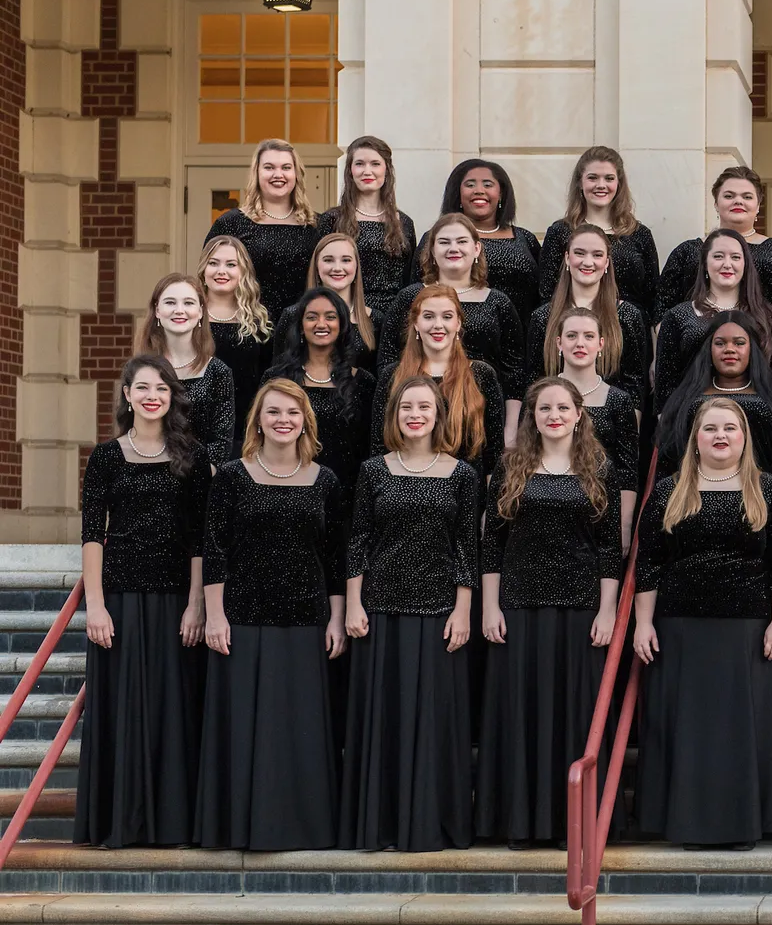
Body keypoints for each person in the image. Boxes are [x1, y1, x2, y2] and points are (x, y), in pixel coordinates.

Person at [632, 397, 772, 848]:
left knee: (739, 731)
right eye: (710, 429)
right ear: (695, 438)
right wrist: (642, 624)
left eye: (730, 428)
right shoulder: (669, 491)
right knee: (689, 730)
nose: (720, 435)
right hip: (680, 628)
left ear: (744, 437)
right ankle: (688, 823)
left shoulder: (770, 491)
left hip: (747, 629)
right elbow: (648, 561)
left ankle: (741, 823)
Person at [196, 379, 347, 850]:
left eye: (293, 413)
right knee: (244, 728)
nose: (284, 420)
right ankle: (239, 827)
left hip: (306, 619)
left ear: (306, 421)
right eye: (274, 412)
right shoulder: (232, 478)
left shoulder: (327, 481)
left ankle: (302, 828)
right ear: (257, 420)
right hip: (242, 617)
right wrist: (214, 616)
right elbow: (215, 549)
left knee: (299, 728)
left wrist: (337, 619)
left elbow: (337, 557)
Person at [477, 377, 623, 846]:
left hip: (580, 609)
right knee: (524, 712)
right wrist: (490, 606)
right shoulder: (510, 467)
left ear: (580, 414)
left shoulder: (600, 467)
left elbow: (608, 547)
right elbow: (492, 543)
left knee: (574, 715)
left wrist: (607, 612)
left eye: (563, 407)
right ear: (532, 417)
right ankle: (522, 822)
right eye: (544, 409)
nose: (554, 415)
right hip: (519, 605)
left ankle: (570, 826)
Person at [340, 376, 481, 851]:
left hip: (440, 612)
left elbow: (467, 546)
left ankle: (430, 823)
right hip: (380, 610)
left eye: (424, 406)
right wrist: (354, 602)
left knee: (434, 722)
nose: (415, 414)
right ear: (394, 415)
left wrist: (464, 609)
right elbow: (358, 538)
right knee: (385, 721)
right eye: (406, 407)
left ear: (439, 414)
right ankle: (379, 825)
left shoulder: (462, 474)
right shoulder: (373, 470)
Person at [75, 355, 210, 848]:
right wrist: (96, 604)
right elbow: (93, 534)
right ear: (128, 396)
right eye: (143, 387)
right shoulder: (106, 457)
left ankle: (172, 823)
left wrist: (197, 604)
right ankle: (121, 821)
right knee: (124, 708)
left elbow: (201, 538)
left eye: (162, 388)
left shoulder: (191, 457)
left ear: (172, 397)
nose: (153, 395)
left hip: (176, 600)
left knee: (173, 708)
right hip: (121, 600)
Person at [380, 214, 524, 411]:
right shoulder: (411, 297)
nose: (453, 248)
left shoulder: (498, 302)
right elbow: (388, 358)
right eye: (444, 242)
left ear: (476, 249)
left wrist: (510, 430)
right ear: (432, 250)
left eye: (462, 241)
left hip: (483, 411)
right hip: (418, 412)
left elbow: (514, 372)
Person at [655, 312, 772, 495]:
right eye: (720, 343)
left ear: (752, 349)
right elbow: (667, 463)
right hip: (695, 499)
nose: (729, 349)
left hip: (765, 501)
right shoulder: (687, 399)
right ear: (709, 349)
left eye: (739, 343)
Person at [370, 286, 508, 480]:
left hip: (466, 495)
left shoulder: (481, 374)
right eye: (428, 316)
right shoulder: (393, 375)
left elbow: (494, 453)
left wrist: (489, 507)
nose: (437, 325)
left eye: (447, 316)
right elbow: (379, 447)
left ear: (458, 323)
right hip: (402, 488)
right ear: (416, 323)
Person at [654, 228, 772, 403]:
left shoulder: (769, 317)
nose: (727, 264)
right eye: (718, 256)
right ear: (705, 263)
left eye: (735, 257)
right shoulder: (677, 317)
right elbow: (665, 390)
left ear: (746, 264)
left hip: (758, 420)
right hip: (694, 421)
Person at [657, 166, 772, 321]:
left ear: (758, 205)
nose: (738, 201)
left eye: (747, 197)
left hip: (768, 343)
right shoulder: (687, 252)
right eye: (729, 196)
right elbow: (661, 308)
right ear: (716, 204)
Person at [264, 289, 374, 495]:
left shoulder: (364, 382)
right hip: (287, 488)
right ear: (300, 326)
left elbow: (368, 448)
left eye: (330, 317)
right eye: (312, 317)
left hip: (346, 494)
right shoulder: (276, 378)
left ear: (342, 325)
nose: (321, 324)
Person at [537, 146, 659, 329]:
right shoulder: (560, 232)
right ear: (580, 182)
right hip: (575, 335)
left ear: (619, 184)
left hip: (630, 332)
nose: (601, 185)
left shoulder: (638, 234)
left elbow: (652, 294)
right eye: (593, 178)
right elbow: (546, 293)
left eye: (609, 178)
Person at [525, 223, 650, 401]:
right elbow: (534, 382)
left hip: (611, 423)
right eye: (580, 253)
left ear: (606, 262)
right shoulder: (543, 317)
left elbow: (635, 385)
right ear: (567, 258)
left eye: (597, 255)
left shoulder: (627, 315)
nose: (588, 262)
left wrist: (630, 427)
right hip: (556, 420)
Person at [551, 307, 643, 540]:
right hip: (549, 506)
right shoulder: (541, 396)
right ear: (559, 343)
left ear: (601, 344)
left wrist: (624, 526)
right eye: (571, 336)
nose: (579, 343)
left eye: (588, 336)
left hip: (602, 513)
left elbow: (627, 470)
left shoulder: (619, 400)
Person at [204, 139, 322, 318]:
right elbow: (209, 282)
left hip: (304, 330)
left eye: (286, 167)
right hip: (247, 329)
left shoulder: (317, 225)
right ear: (257, 173)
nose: (278, 174)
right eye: (269, 167)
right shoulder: (231, 224)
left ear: (297, 174)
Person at [135, 274, 235, 464]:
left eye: (188, 303)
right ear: (157, 310)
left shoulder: (218, 372)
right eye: (170, 302)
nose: (179, 310)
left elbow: (220, 446)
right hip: (146, 473)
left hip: (200, 483)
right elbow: (129, 431)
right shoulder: (140, 370)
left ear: (200, 311)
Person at [315, 136, 417, 316]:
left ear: (387, 170)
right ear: (350, 171)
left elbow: (409, 278)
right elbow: (317, 275)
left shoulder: (405, 223)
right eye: (360, 164)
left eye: (375, 164)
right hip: (346, 315)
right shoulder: (332, 220)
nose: (367, 171)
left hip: (394, 318)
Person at [441, 159, 544, 324]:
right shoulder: (437, 240)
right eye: (470, 185)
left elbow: (542, 294)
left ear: (501, 193)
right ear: (458, 194)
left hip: (521, 338)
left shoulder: (526, 239)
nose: (479, 191)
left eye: (488, 185)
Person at [271, 232, 381, 373]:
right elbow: (277, 373)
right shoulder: (292, 315)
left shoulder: (375, 320)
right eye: (328, 260)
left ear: (357, 267)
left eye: (346, 260)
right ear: (316, 267)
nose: (337, 268)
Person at [199, 237, 275, 432]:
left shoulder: (260, 321)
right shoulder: (190, 316)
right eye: (213, 263)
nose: (221, 271)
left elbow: (268, 377)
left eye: (231, 264)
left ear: (243, 271)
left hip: (247, 425)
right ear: (203, 270)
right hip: (196, 422)